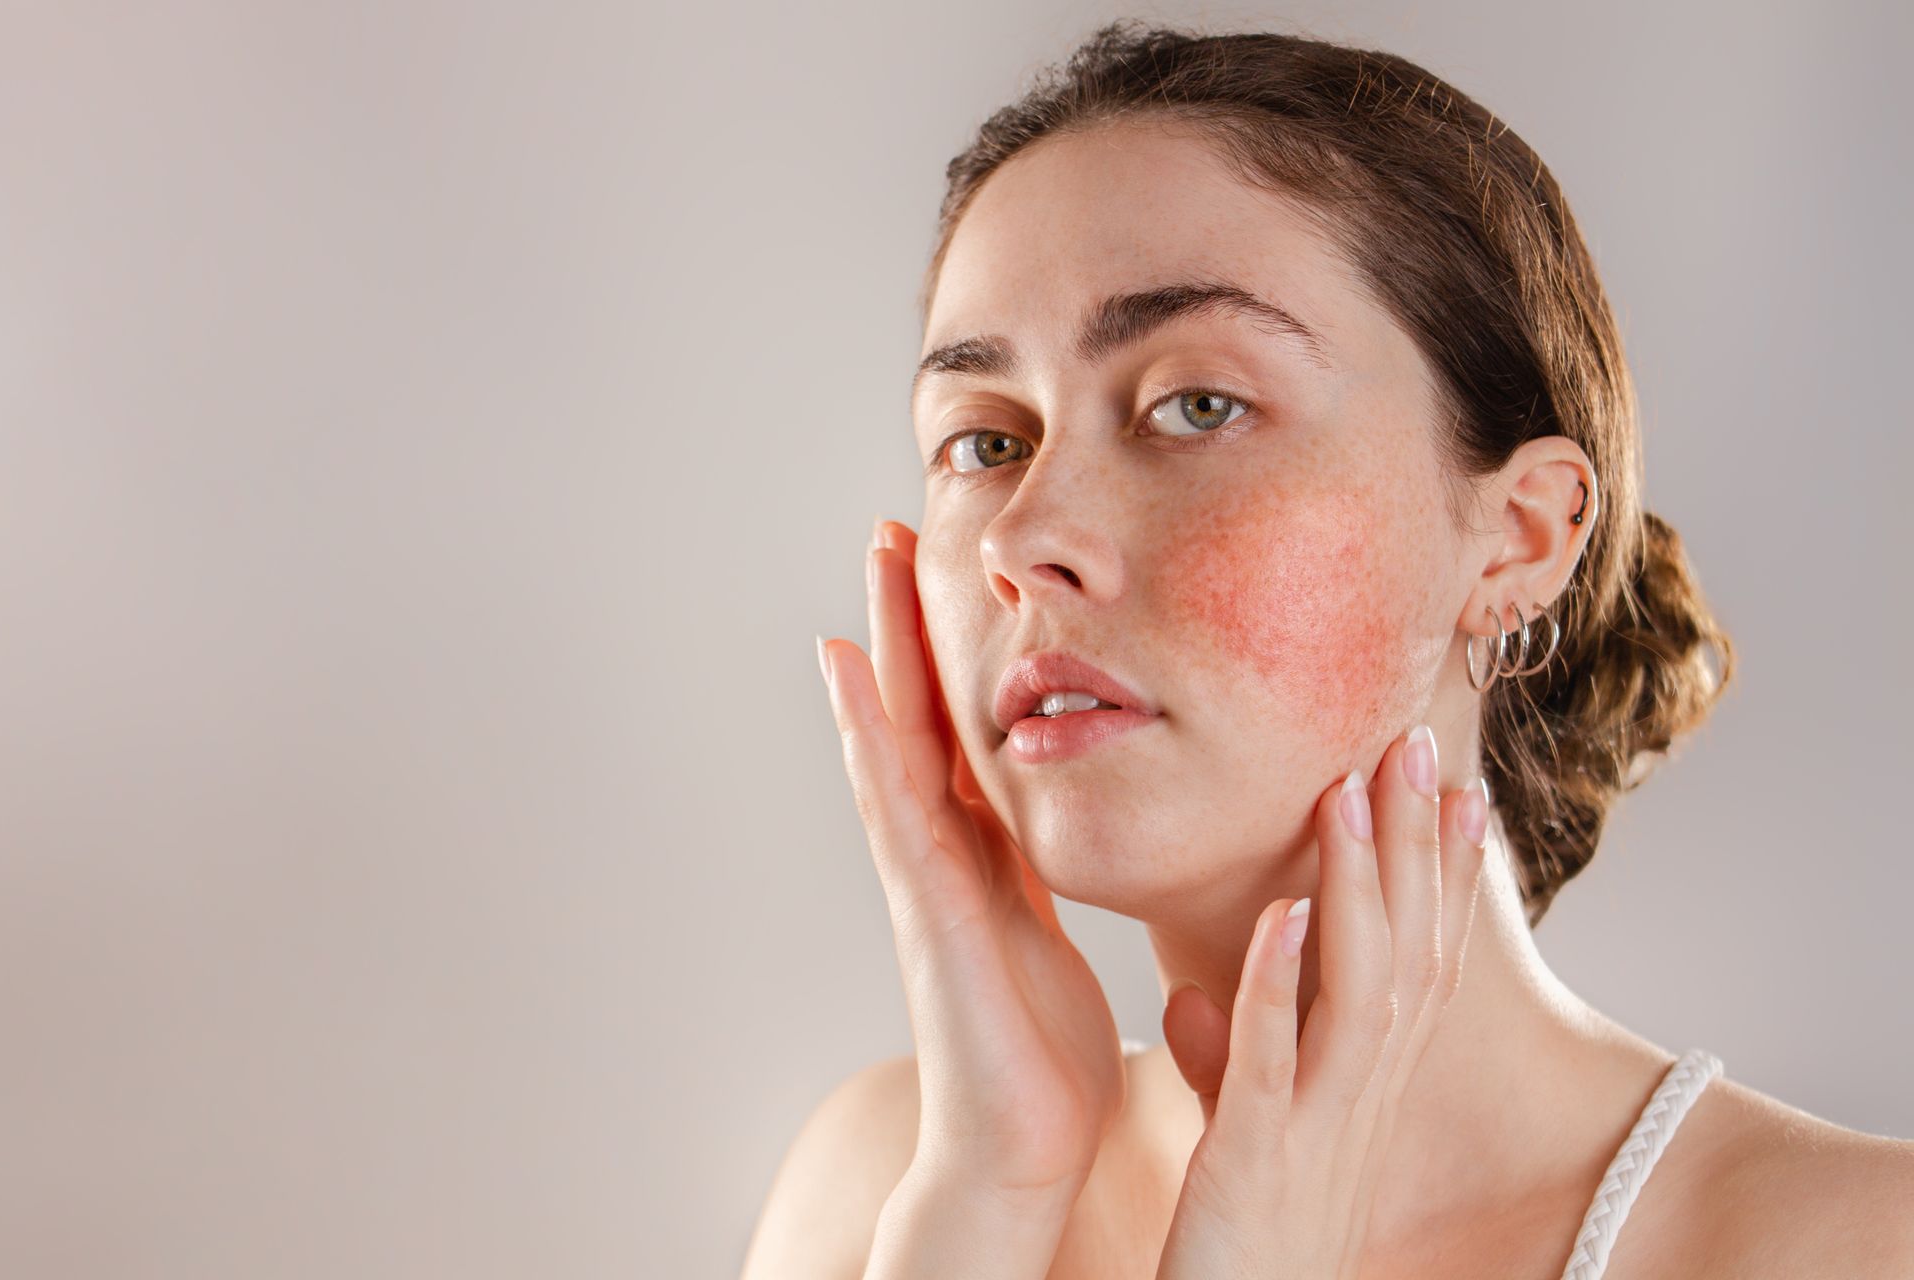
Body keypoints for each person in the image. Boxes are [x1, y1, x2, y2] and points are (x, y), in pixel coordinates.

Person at [744, 21, 1914, 1280]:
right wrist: (985, 1197)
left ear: (1519, 536)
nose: (1025, 536)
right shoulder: (884, 1191)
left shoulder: (1854, 1242)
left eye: (1198, 405)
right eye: (984, 439)